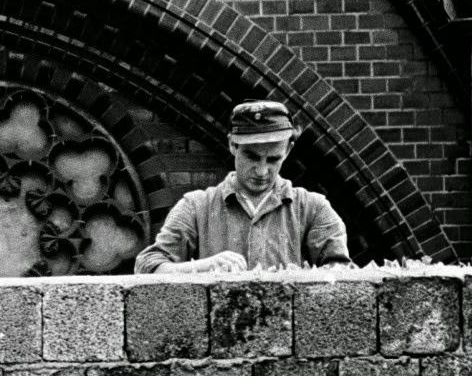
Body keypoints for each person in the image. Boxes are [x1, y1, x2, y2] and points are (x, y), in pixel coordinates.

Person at [134, 100, 350, 274]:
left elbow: (344, 277)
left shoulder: (313, 209)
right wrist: (204, 266)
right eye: (252, 156)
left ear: (288, 150)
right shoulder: (196, 207)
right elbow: (148, 267)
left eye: (273, 159)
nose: (262, 171)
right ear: (232, 145)